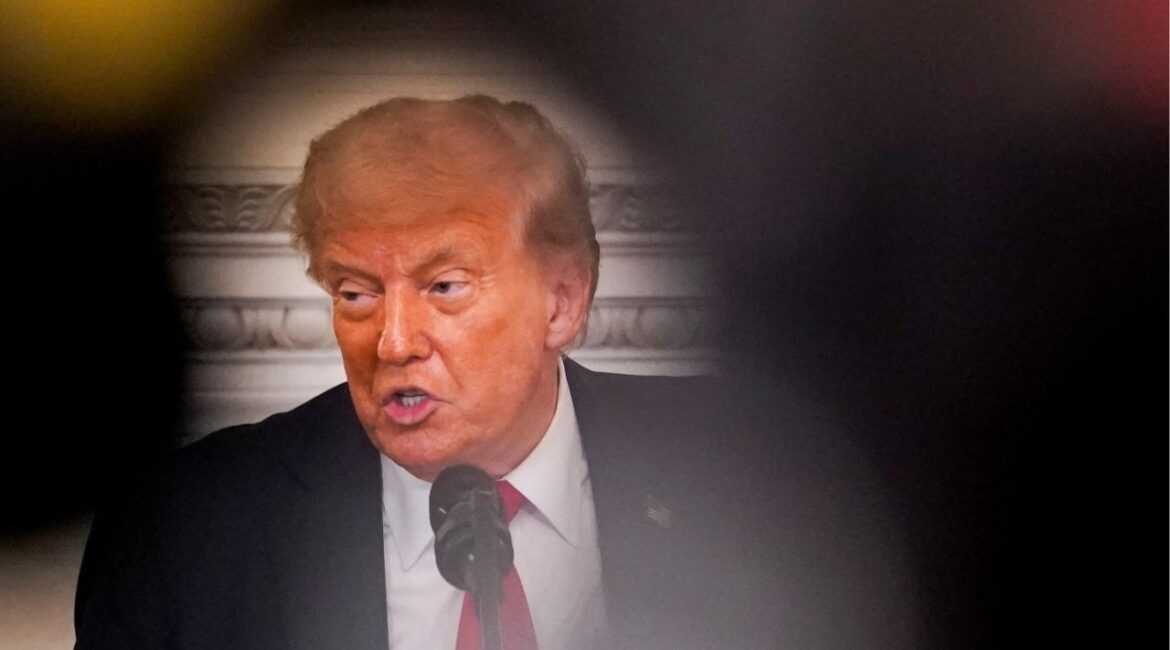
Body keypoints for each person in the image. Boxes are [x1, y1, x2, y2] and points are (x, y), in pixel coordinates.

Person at [74, 96, 915, 650]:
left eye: (444, 286)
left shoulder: (760, 483)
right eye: (356, 291)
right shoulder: (182, 539)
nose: (392, 340)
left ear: (564, 298)